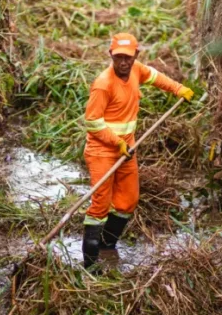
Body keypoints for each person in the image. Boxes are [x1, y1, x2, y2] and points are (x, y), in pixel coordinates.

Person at [82, 32, 194, 270]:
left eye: (128, 57)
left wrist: (178, 89)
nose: (124, 62)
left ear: (136, 56)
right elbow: (92, 121)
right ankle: (90, 265)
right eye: (119, 57)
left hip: (127, 149)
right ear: (111, 55)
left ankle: (107, 246)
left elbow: (155, 77)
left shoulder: (136, 70)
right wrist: (116, 142)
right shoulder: (103, 84)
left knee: (128, 201)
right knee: (100, 206)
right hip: (102, 150)